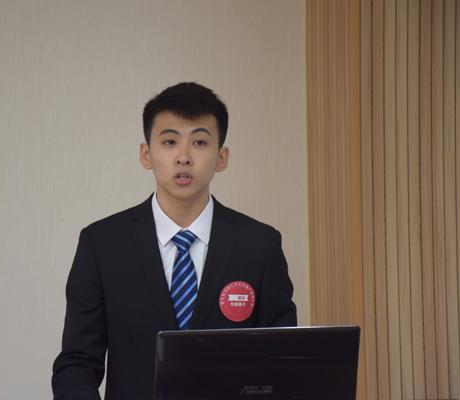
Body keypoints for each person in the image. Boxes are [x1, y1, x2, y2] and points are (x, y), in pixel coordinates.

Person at [52, 82, 297, 400]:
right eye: (169, 142)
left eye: (199, 142)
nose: (183, 157)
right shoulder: (102, 245)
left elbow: (284, 361)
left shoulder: (260, 246)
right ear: (146, 154)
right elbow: (77, 363)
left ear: (221, 157)